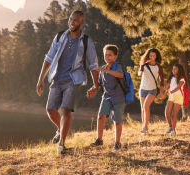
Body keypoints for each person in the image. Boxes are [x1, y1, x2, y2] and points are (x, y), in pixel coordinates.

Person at [36, 11, 99, 154]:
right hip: (56, 78)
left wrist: (96, 85)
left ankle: (61, 144)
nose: (72, 22)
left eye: (76, 20)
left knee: (65, 110)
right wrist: (41, 79)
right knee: (50, 109)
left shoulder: (86, 41)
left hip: (74, 80)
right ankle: (61, 130)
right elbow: (49, 58)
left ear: (82, 22)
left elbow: (93, 65)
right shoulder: (59, 36)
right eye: (71, 19)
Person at [88, 44, 125, 151]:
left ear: (115, 56)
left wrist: (106, 71)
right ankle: (99, 140)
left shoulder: (117, 66)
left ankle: (117, 143)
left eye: (110, 55)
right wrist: (92, 90)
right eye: (105, 55)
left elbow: (120, 75)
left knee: (117, 121)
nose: (107, 57)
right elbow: (99, 83)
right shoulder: (103, 68)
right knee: (101, 116)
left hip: (118, 97)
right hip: (107, 96)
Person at [138, 48, 164, 134]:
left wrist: (161, 92)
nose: (152, 57)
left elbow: (162, 80)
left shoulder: (158, 67)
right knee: (143, 109)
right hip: (142, 89)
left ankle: (145, 127)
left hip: (152, 89)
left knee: (146, 106)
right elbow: (140, 72)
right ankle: (144, 128)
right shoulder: (144, 65)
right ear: (148, 56)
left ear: (156, 56)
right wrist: (140, 73)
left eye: (154, 55)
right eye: (150, 55)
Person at [161, 63, 187, 136]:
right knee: (167, 112)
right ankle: (170, 126)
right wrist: (164, 94)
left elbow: (179, 87)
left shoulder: (182, 79)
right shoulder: (171, 78)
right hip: (171, 97)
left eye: (175, 69)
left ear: (179, 70)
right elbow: (167, 87)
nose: (173, 70)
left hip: (179, 97)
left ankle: (173, 130)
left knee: (174, 113)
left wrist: (171, 91)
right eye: (173, 69)